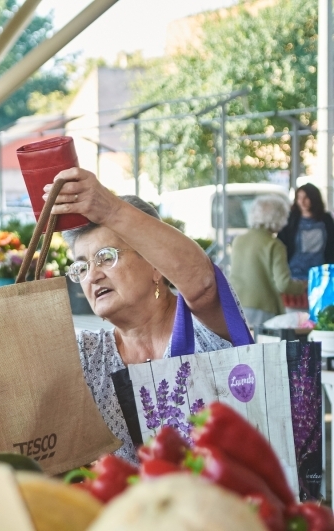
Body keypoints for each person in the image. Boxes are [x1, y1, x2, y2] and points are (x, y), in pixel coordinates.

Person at [44, 168, 244, 462]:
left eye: (106, 257)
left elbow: (202, 284)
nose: (93, 276)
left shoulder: (203, 326)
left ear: (155, 265)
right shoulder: (87, 354)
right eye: (82, 266)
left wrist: (109, 208)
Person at [230, 196, 306, 328]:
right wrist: (303, 286)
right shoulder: (274, 245)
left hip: (236, 305)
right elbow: (283, 284)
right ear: (279, 218)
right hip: (264, 308)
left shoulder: (238, 240)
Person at [278, 183, 334, 280]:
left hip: (321, 273)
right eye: (299, 198)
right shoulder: (291, 220)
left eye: (306, 198)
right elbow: (281, 244)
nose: (302, 202)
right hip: (294, 273)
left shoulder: (326, 219)